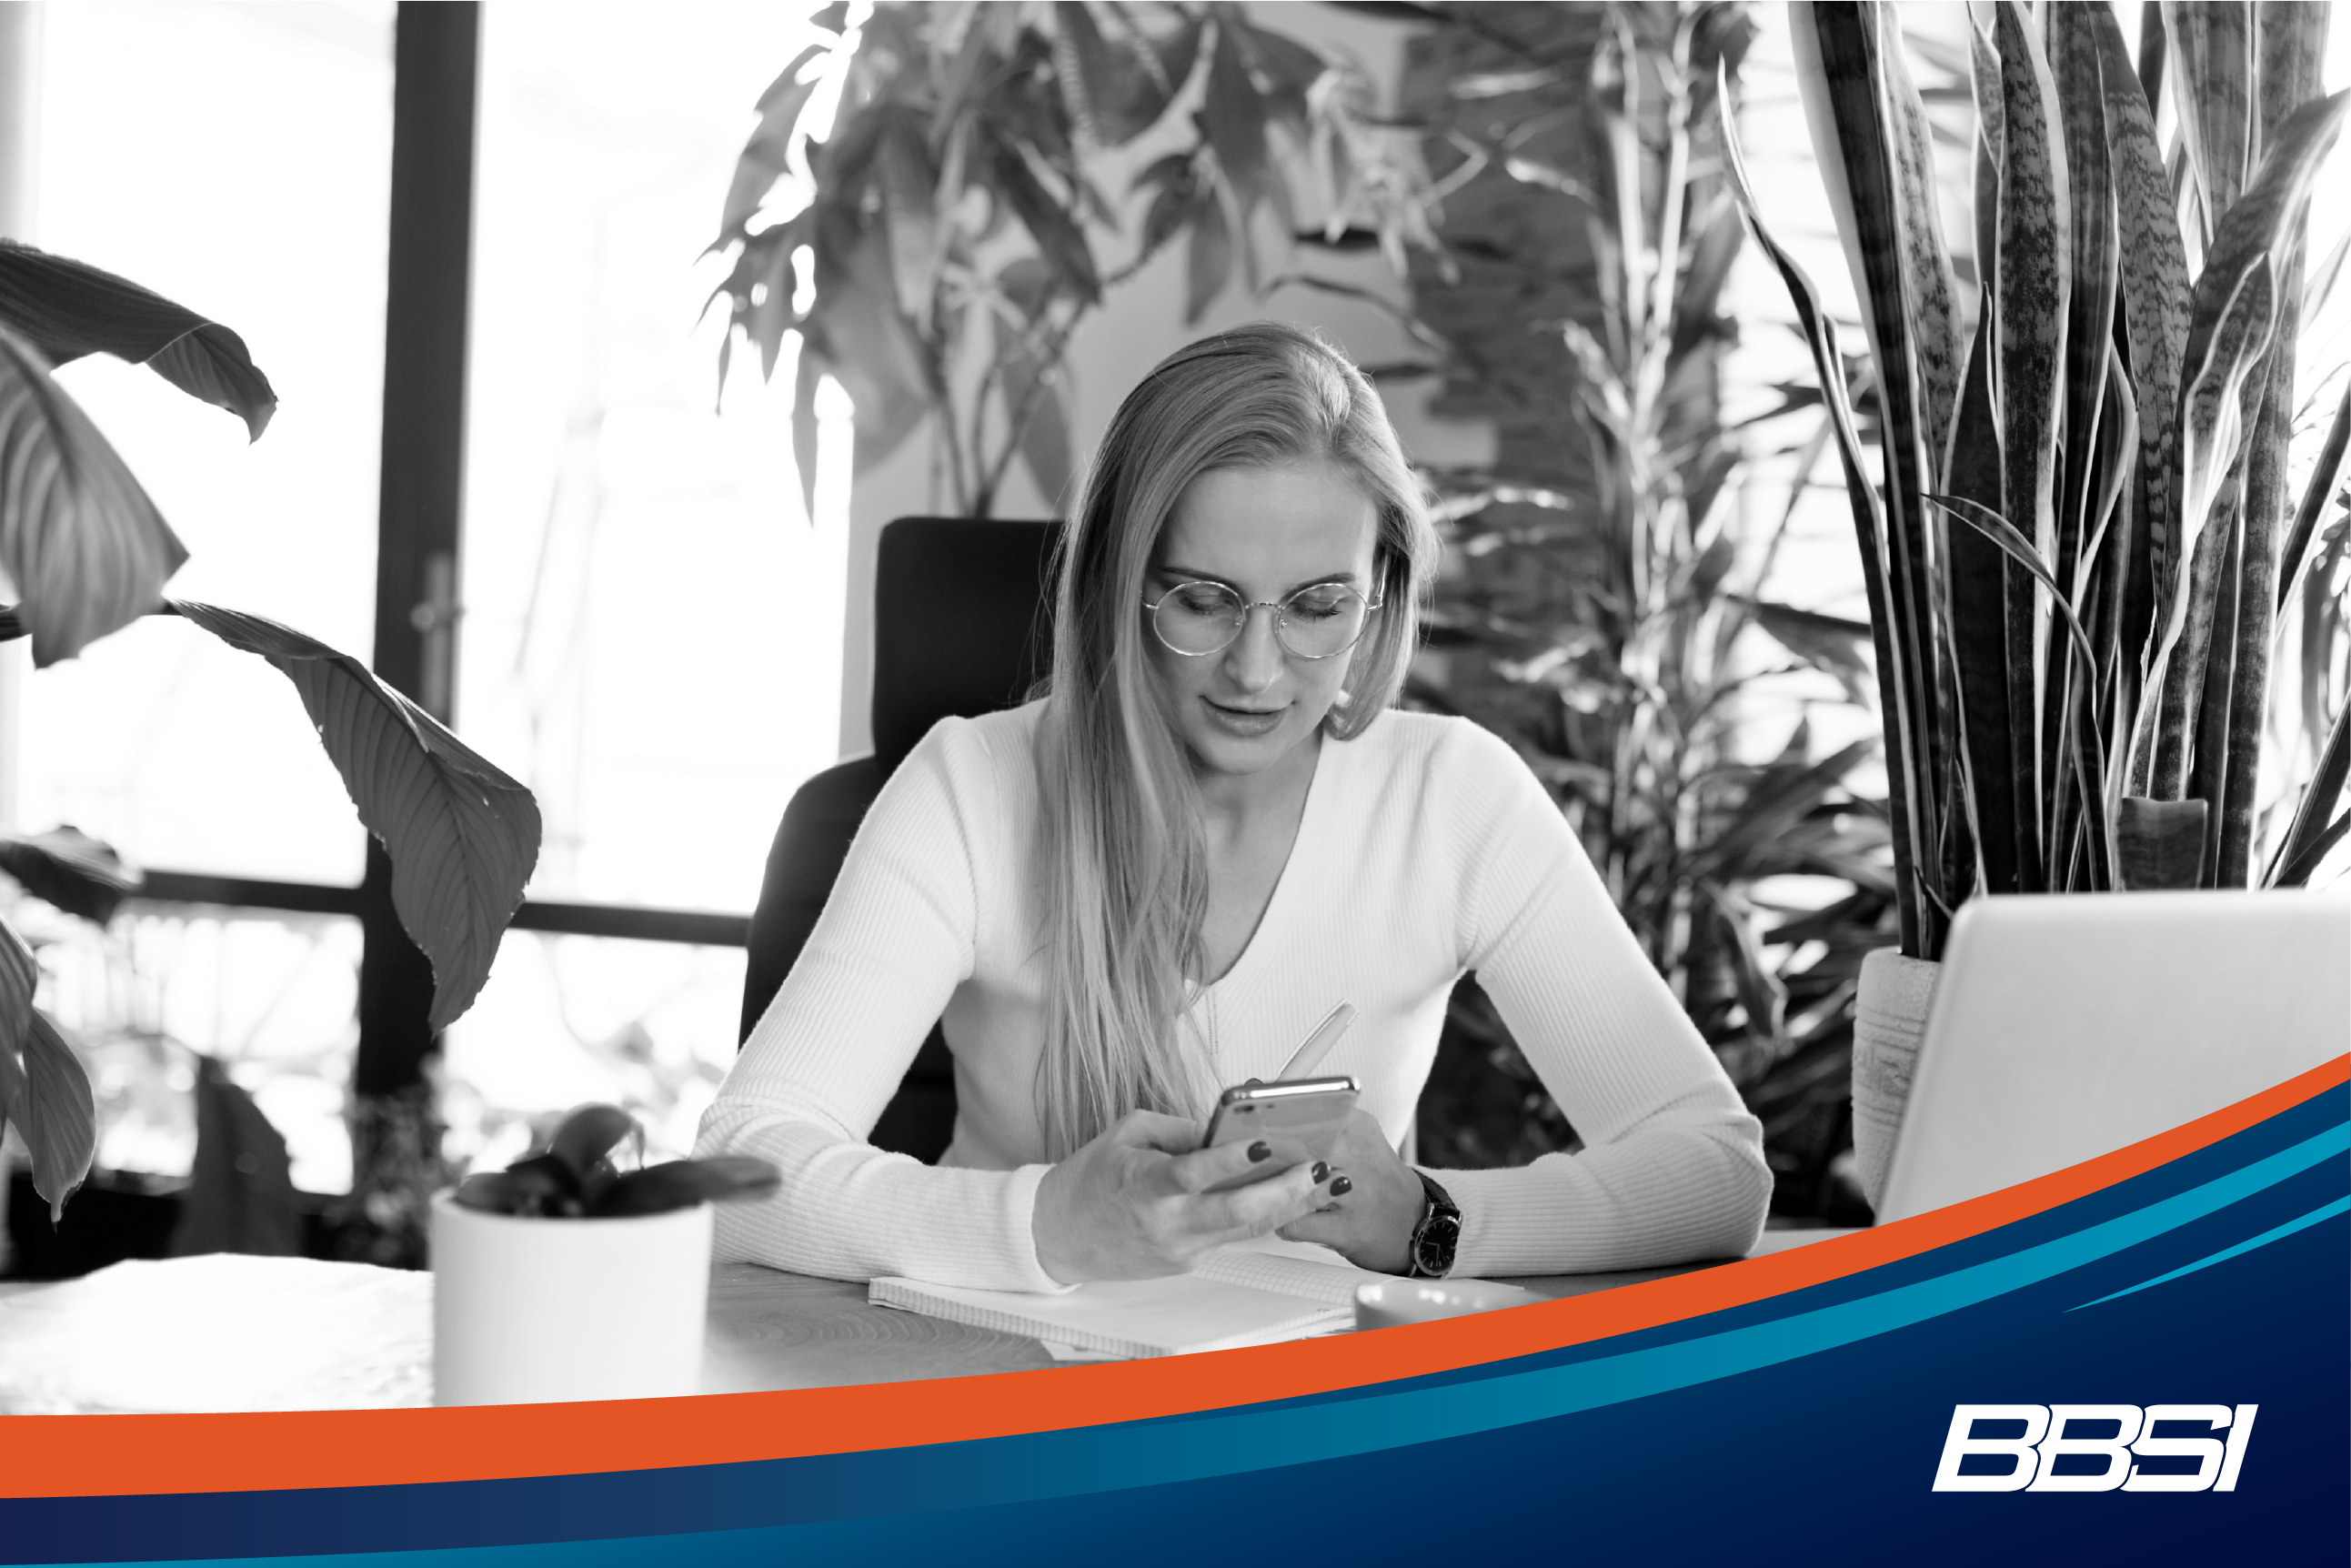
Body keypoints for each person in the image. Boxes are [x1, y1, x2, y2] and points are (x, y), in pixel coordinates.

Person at [698, 322, 1769, 1291]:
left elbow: (1716, 1170)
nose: (1257, 670)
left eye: (1317, 606)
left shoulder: (1450, 796)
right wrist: (1045, 1225)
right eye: (1202, 600)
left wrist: (1426, 1217)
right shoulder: (970, 786)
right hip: (995, 1395)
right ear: (1117, 582)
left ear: (1379, 593)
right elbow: (741, 1169)